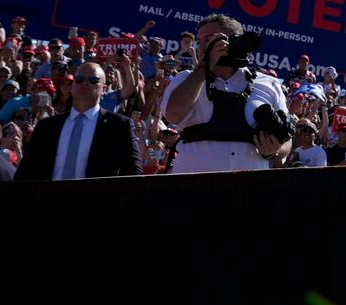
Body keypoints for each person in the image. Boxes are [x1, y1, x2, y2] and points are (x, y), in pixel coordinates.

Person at [160, 13, 291, 173]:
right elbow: (173, 115)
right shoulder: (186, 79)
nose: (202, 47)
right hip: (193, 188)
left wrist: (275, 151)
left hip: (248, 189)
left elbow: (287, 139)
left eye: (209, 40)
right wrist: (203, 68)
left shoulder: (268, 84)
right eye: (200, 42)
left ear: (235, 41)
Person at [15, 61, 143, 180]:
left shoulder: (119, 125)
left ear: (104, 89)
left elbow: (133, 174)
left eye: (93, 80)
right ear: (72, 87)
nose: (85, 84)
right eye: (79, 79)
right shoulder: (47, 126)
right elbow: (26, 171)